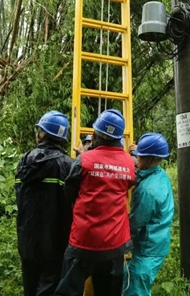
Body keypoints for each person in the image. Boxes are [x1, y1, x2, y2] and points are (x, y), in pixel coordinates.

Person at [56, 109, 136, 296]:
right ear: (119, 138)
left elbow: (69, 191)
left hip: (83, 241)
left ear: (95, 134)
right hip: (115, 245)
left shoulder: (84, 160)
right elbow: (130, 181)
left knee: (68, 291)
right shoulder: (130, 164)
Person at [16, 110, 74, 296]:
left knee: (30, 287)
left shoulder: (24, 162)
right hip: (55, 241)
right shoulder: (67, 165)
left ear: (42, 134)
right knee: (49, 287)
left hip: (27, 239)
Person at [123, 133, 174, 296]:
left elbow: (136, 223)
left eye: (139, 157)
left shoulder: (147, 191)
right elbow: (141, 173)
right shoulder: (160, 175)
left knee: (136, 288)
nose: (137, 160)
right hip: (157, 242)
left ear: (148, 159)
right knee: (130, 280)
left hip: (147, 247)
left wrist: (120, 242)